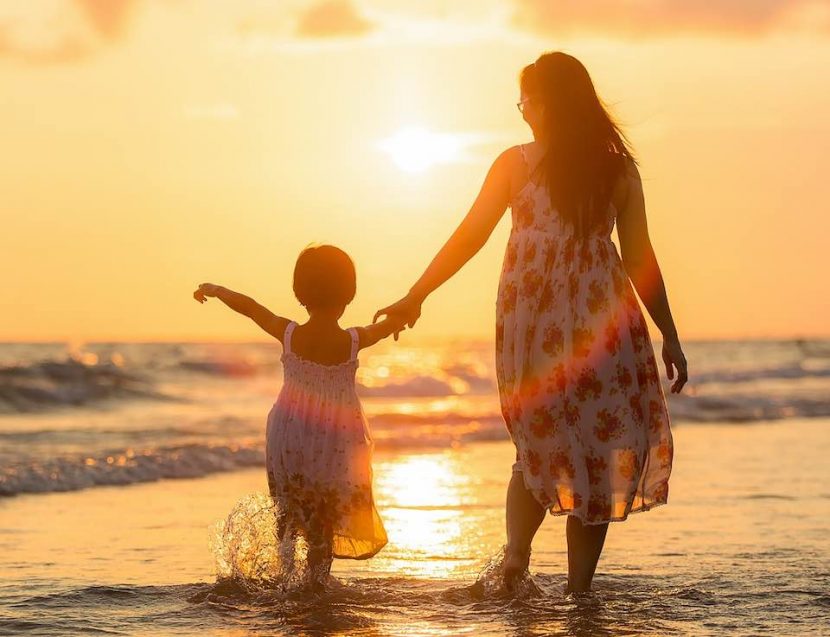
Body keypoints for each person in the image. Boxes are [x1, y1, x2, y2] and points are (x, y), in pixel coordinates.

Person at [374, 51, 687, 594]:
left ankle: (517, 563)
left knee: (538, 444)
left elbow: (470, 235)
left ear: (545, 103)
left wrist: (416, 296)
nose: (521, 111)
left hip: (534, 325)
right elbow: (639, 258)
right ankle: (578, 592)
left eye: (525, 99)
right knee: (595, 448)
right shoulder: (615, 168)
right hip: (604, 326)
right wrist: (670, 334)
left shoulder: (517, 164)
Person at [194, 244, 400, 586]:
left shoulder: (289, 333)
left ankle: (286, 578)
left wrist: (216, 290)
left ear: (299, 292)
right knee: (324, 518)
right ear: (349, 294)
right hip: (335, 440)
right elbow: (391, 324)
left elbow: (250, 308)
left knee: (288, 510)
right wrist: (403, 315)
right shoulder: (352, 340)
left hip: (289, 434)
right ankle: (315, 583)